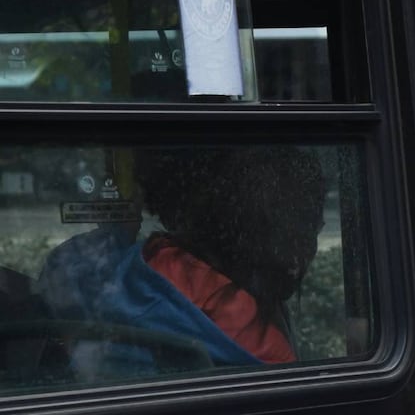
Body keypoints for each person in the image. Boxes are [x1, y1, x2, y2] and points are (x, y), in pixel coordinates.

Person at [37, 147, 326, 377]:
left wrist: (116, 233)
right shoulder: (261, 344)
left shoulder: (155, 259)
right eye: (305, 232)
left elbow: (66, 269)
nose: (305, 254)